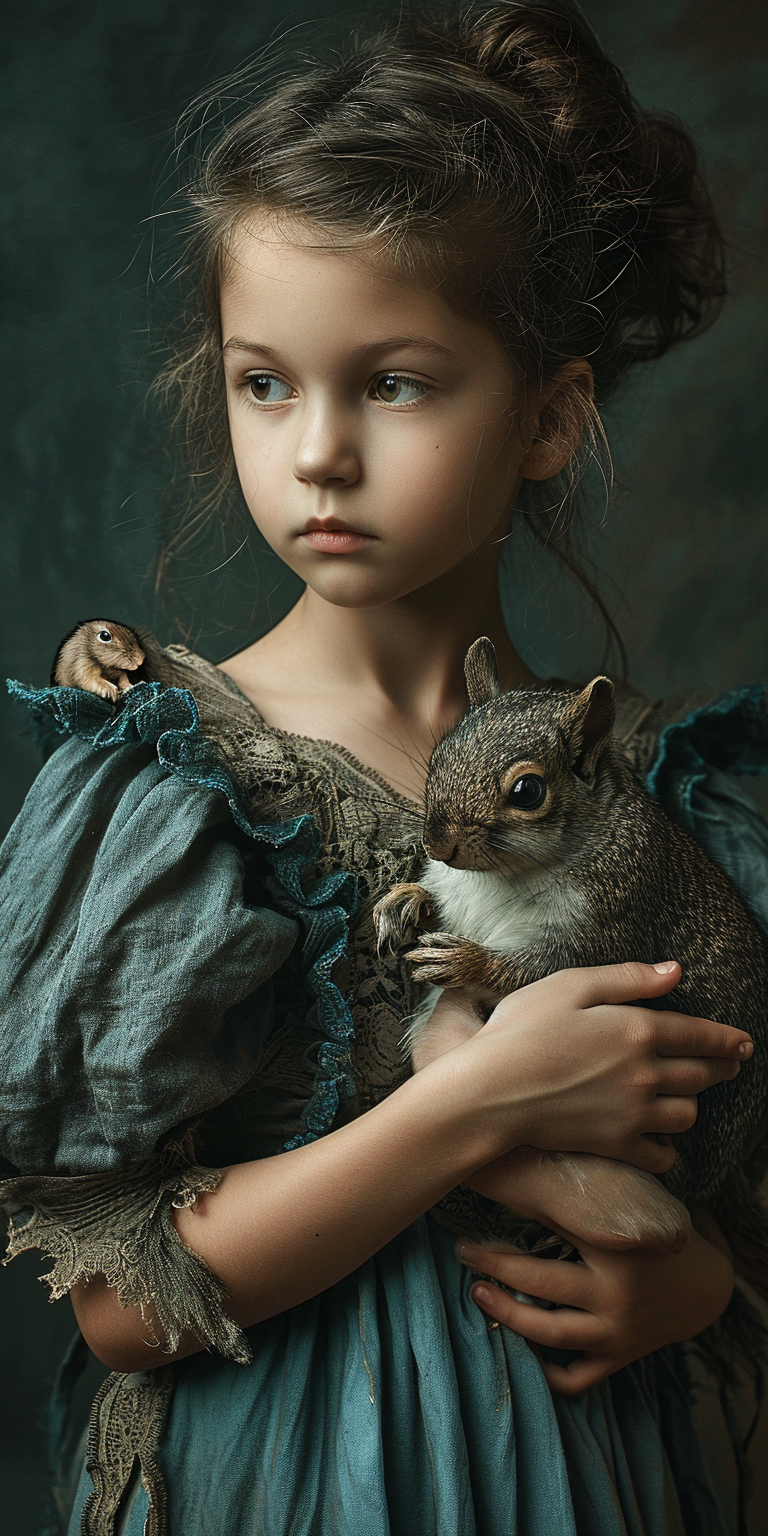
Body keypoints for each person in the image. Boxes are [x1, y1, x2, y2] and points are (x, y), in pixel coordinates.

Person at [1, 3, 767, 1532]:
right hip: (276, 1471)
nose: (317, 455)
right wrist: (468, 1109)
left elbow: (727, 1196)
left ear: (551, 416)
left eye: (395, 383)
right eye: (264, 382)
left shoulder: (654, 810)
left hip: (589, 1470)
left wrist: (692, 1282)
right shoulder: (178, 780)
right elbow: (121, 1307)